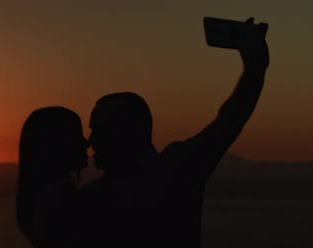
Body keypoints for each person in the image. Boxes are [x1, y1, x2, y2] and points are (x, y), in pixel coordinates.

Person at [83, 17, 270, 247]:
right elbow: (229, 121)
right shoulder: (175, 172)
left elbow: (229, 120)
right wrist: (255, 69)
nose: (91, 141)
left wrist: (255, 70)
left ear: (127, 132)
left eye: (101, 130)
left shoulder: (174, 170)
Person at [16, 107, 89, 247]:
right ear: (57, 144)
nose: (86, 143)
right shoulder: (61, 202)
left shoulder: (43, 199)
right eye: (77, 136)